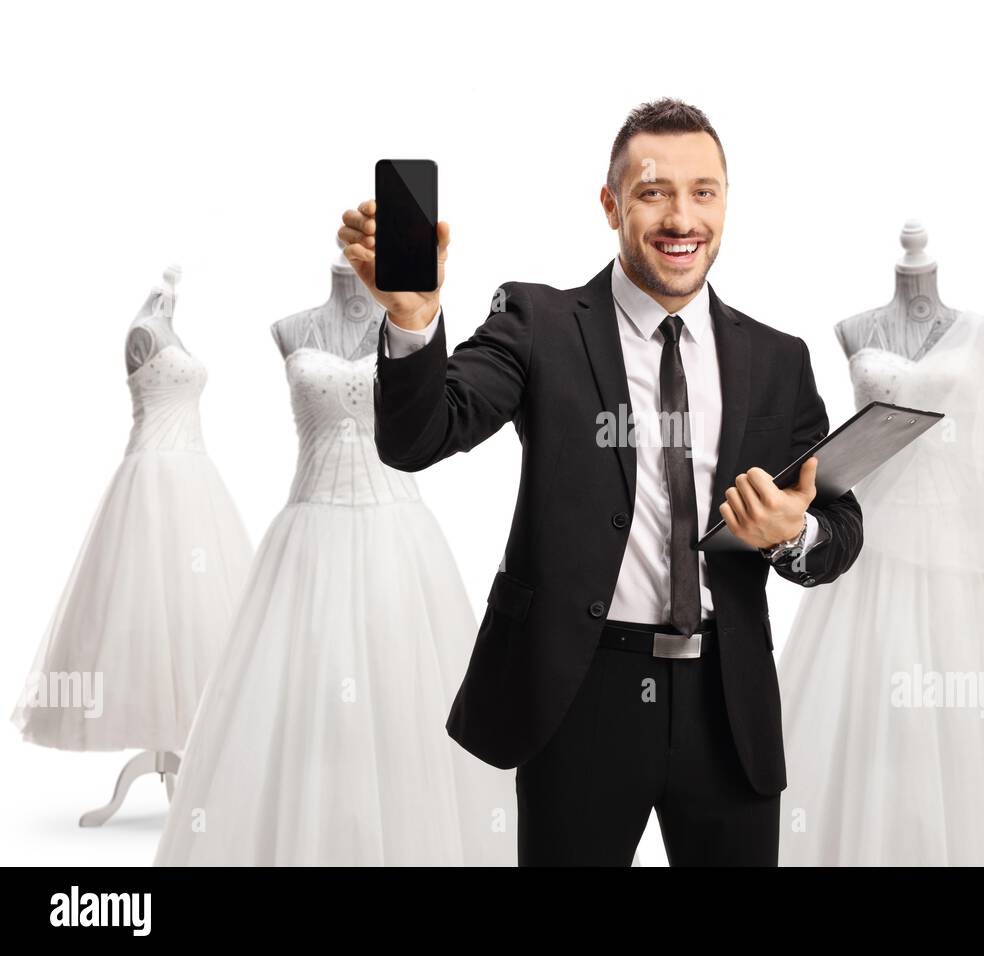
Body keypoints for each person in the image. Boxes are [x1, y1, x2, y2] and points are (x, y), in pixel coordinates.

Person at [339, 98, 864, 866]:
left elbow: (839, 529)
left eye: (704, 191)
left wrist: (794, 533)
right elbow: (419, 438)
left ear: (726, 201)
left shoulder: (779, 359)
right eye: (654, 192)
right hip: (579, 694)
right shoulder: (539, 323)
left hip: (729, 703)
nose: (682, 217)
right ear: (611, 204)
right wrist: (414, 319)